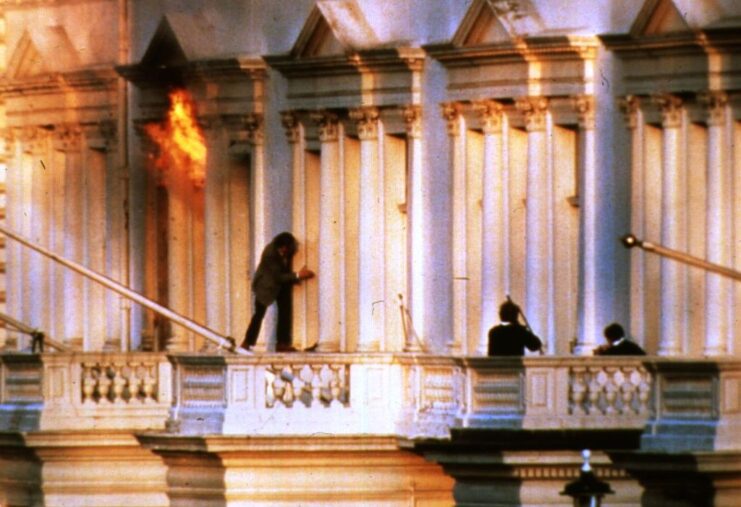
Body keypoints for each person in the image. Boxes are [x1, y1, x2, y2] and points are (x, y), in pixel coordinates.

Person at [240, 232, 314, 353]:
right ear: (279, 246)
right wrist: (298, 275)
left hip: (281, 286)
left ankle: (282, 343)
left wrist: (294, 277)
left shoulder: (290, 250)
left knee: (285, 313)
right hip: (266, 286)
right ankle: (247, 342)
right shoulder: (270, 253)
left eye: (287, 249)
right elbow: (277, 277)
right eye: (283, 249)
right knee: (259, 315)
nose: (285, 251)